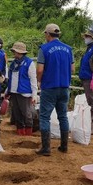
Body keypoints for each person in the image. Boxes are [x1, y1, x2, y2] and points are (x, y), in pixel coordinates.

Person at [36, 23, 74, 156]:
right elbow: (72, 68)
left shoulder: (44, 49)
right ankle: (64, 146)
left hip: (49, 87)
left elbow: (40, 69)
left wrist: (39, 80)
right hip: (64, 87)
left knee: (44, 117)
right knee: (63, 116)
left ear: (47, 34)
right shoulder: (68, 49)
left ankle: (46, 148)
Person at [6, 42, 38, 136]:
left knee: (27, 113)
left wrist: (34, 94)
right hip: (14, 92)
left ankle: (28, 132)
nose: (15, 54)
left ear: (20, 52)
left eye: (15, 52)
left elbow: (33, 79)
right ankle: (20, 131)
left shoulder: (29, 63)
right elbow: (11, 79)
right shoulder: (13, 64)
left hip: (24, 92)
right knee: (16, 112)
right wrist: (8, 90)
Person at [78, 29, 93, 135]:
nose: (85, 38)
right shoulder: (89, 49)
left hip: (91, 79)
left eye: (87, 36)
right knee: (91, 102)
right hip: (86, 79)